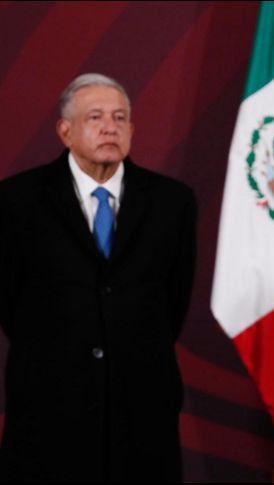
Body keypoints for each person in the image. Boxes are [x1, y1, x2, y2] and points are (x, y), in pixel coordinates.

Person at [0, 73, 196, 481]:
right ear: (65, 131)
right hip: (50, 411)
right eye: (95, 117)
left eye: (120, 118)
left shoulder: (172, 203)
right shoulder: (15, 201)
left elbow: (172, 303)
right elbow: (10, 304)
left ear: (132, 130)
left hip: (143, 412)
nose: (110, 127)